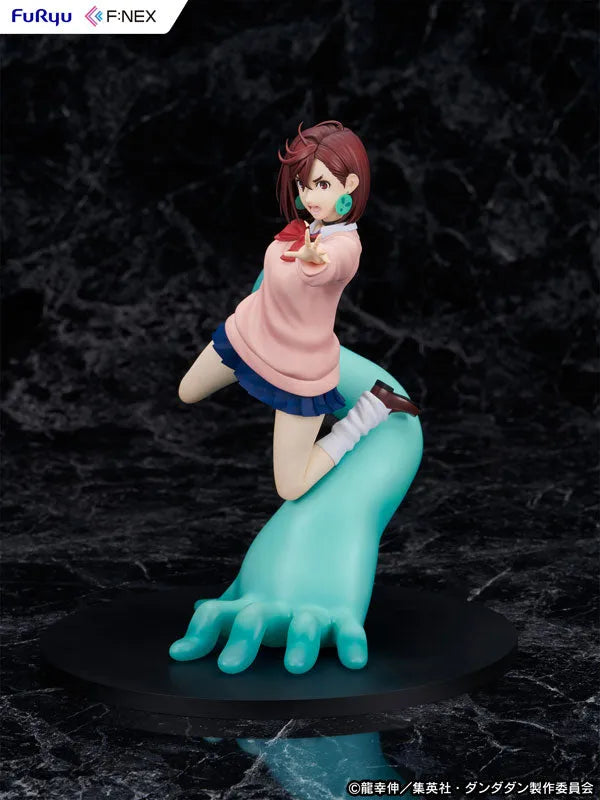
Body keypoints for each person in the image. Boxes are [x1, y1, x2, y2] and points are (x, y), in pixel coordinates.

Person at [178, 120, 418, 501]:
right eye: (304, 185)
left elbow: (326, 267)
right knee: (187, 391)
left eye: (321, 184)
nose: (308, 196)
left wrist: (313, 260)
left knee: (291, 486)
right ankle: (258, 375)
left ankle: (368, 413)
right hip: (250, 334)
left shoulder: (344, 247)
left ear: (350, 184)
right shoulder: (309, 228)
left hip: (298, 368)